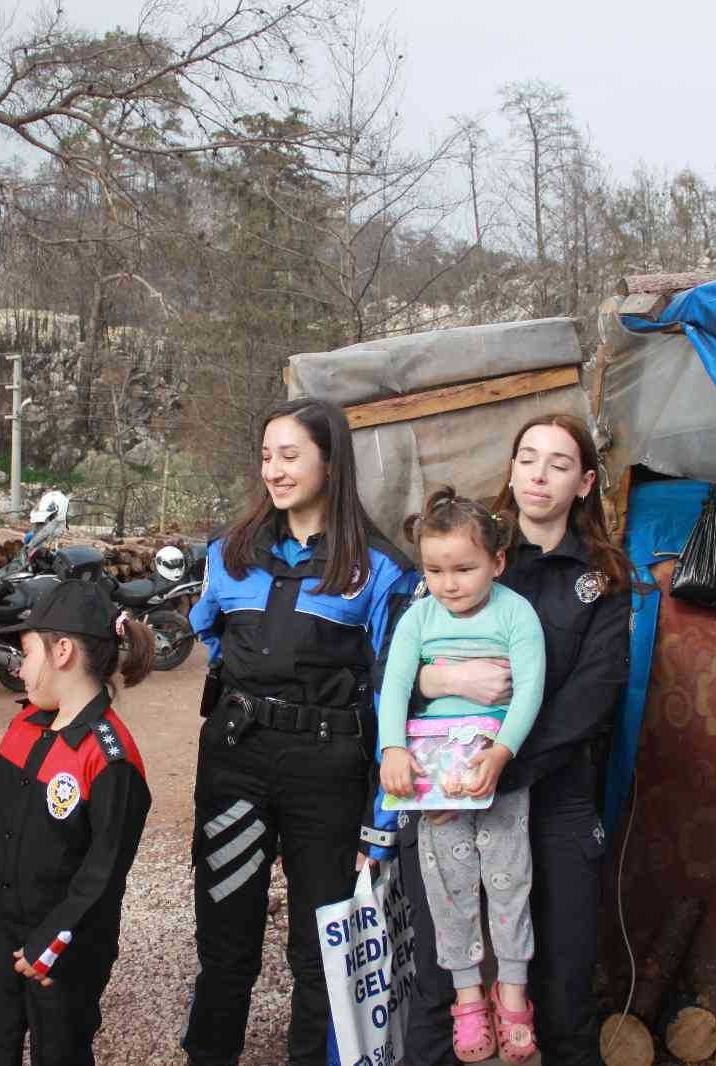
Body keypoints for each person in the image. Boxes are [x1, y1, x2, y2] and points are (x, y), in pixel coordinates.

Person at [394, 414, 636, 1066]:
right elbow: (395, 667)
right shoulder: (465, 544)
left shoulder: (603, 579)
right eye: (527, 457)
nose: (538, 474)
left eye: (559, 463)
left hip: (552, 797)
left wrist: (502, 766)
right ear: (510, 468)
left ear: (585, 483)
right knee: (442, 986)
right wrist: (441, 677)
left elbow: (593, 696)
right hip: (448, 792)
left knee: (562, 990)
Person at [182, 397, 418, 1066]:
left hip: (328, 770)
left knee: (321, 944)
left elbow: (394, 690)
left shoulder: (380, 568)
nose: (274, 471)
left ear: (330, 462)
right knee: (225, 935)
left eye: (290, 455)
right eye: (266, 456)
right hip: (236, 761)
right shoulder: (229, 552)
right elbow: (210, 632)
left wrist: (380, 816)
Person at [376, 488, 547, 1063]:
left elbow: (531, 689)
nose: (448, 584)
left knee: (509, 878)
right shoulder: (418, 618)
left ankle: (513, 990)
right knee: (447, 886)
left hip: (494, 769)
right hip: (436, 776)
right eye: (434, 570)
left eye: (463, 569)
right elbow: (395, 686)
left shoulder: (516, 613)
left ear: (497, 562)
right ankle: (467, 995)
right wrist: (392, 749)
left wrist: (502, 754)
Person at [0, 579, 156, 1066]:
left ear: (63, 651)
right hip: (2, 926)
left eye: (27, 653)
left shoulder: (109, 757)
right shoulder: (23, 725)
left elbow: (104, 871)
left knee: (60, 1048)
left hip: (67, 945)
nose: (20, 667)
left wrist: (53, 939)